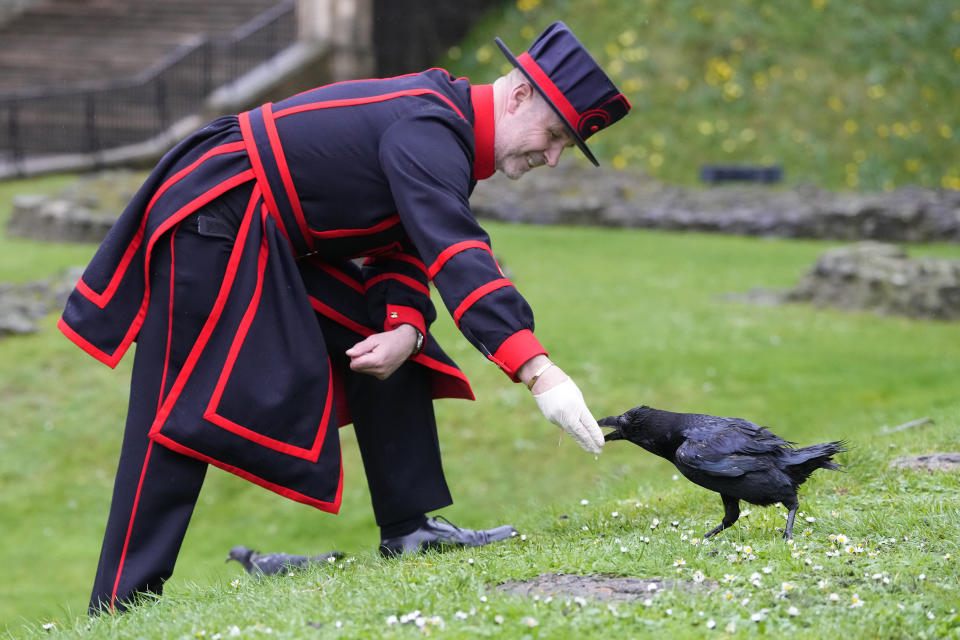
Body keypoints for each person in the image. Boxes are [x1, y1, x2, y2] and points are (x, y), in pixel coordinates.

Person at [59, 21, 630, 614]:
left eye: (568, 145)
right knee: (176, 409)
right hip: (210, 218)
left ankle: (410, 532)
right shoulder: (432, 127)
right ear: (517, 96)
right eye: (555, 133)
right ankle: (120, 606)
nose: (554, 157)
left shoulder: (447, 127)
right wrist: (539, 371)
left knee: (392, 335)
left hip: (262, 232)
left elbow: (402, 243)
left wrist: (405, 328)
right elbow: (457, 254)